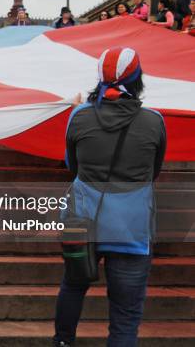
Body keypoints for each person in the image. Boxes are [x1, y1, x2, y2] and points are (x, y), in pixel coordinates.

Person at [54, 47, 166, 347]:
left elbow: (72, 166)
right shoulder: (155, 122)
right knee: (125, 318)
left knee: (73, 287)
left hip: (82, 221)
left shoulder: (79, 116)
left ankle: (63, 342)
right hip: (131, 227)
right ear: (138, 78)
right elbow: (153, 172)